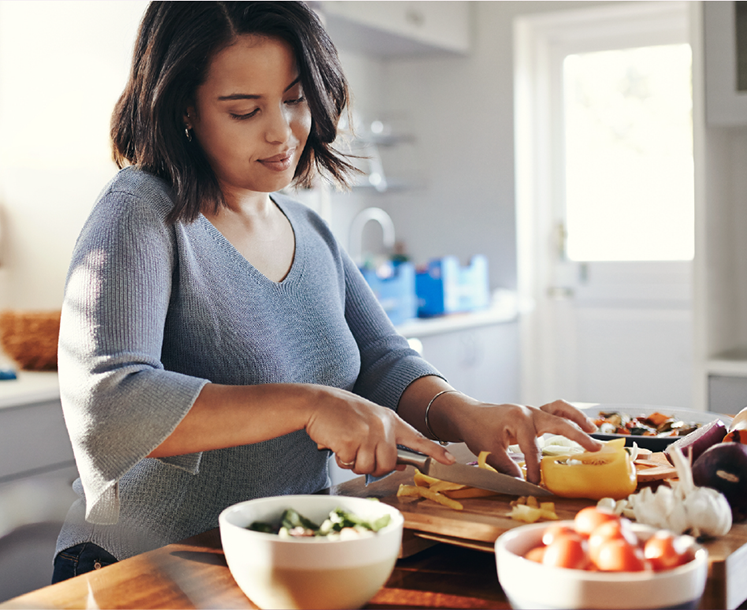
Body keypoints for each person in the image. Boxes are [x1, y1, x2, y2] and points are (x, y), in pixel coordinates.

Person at [52, 0, 602, 582]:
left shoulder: (308, 227)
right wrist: (311, 404)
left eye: (294, 99)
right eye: (244, 110)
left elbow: (383, 361)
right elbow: (109, 403)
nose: (282, 131)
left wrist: (465, 413)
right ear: (184, 108)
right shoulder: (139, 210)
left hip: (284, 557)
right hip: (150, 564)